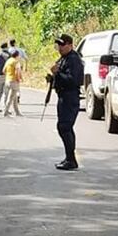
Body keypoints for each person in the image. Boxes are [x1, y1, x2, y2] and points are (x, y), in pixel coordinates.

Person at [50, 33, 85, 170]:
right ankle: (69, 158)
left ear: (70, 45)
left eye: (62, 45)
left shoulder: (74, 60)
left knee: (64, 127)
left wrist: (58, 73)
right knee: (64, 127)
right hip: (63, 95)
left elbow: (73, 80)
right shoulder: (64, 58)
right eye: (58, 45)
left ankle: (71, 160)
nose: (60, 47)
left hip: (70, 96)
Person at [2, 48, 23, 117]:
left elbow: (3, 70)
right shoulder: (16, 62)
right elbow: (17, 71)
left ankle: (17, 112)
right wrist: (18, 79)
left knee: (14, 97)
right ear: (17, 55)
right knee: (11, 97)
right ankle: (5, 111)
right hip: (14, 80)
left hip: (7, 80)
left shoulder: (8, 61)